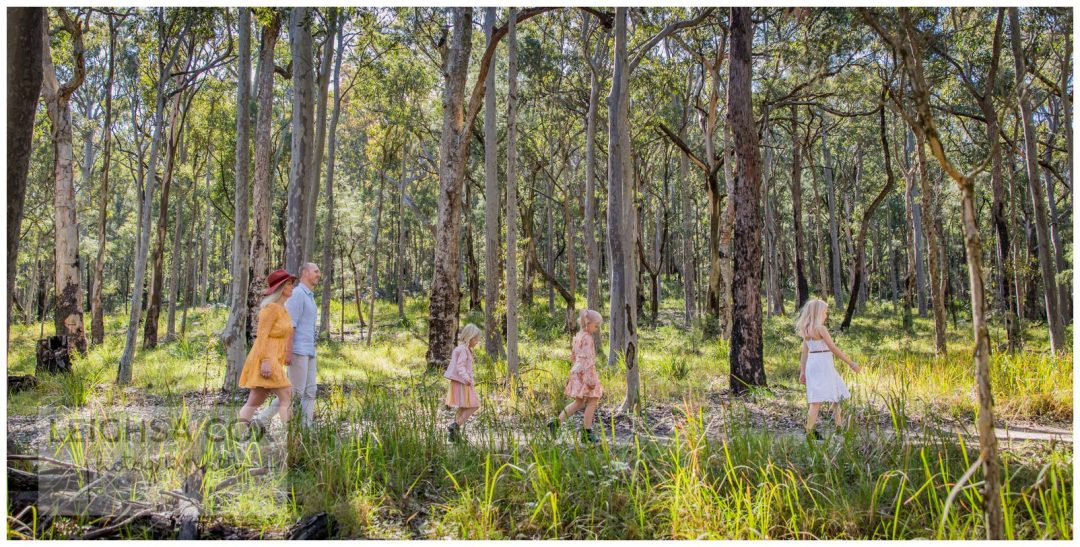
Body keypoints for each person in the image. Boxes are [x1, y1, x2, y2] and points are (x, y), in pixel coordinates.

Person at [257, 262, 322, 428]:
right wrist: (288, 350)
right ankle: (262, 419)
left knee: (310, 392)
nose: (319, 274)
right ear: (305, 273)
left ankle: (306, 428)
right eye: (316, 271)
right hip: (298, 349)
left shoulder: (309, 296)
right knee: (294, 392)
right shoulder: (298, 294)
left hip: (310, 350)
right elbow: (290, 325)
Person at [238, 269, 296, 431]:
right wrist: (265, 361)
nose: (292, 287)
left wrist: (283, 357)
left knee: (255, 400)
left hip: (274, 359)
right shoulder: (270, 309)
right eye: (289, 284)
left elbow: (283, 337)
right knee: (287, 395)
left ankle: (237, 435)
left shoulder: (284, 310)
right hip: (265, 359)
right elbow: (261, 337)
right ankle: (290, 437)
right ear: (281, 287)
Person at [796, 298, 862, 440]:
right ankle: (810, 430)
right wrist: (851, 363)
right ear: (818, 313)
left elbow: (804, 352)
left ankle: (838, 426)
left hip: (814, 364)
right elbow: (833, 348)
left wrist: (802, 371)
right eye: (825, 312)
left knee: (836, 394)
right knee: (818, 400)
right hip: (823, 364)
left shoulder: (806, 329)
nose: (826, 315)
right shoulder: (821, 329)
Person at [548, 309, 604, 443]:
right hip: (586, 372)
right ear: (588, 323)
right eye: (596, 326)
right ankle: (586, 432)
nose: (596, 329)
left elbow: (574, 355)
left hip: (577, 371)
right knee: (594, 399)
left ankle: (556, 423)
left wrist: (575, 371)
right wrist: (590, 378)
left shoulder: (579, 335)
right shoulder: (588, 338)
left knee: (579, 402)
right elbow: (588, 359)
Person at [444, 324, 482, 443]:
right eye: (475, 339)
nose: (476, 341)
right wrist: (467, 379)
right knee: (475, 405)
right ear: (468, 337)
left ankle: (454, 434)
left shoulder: (464, 349)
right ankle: (455, 425)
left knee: (463, 407)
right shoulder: (463, 350)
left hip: (462, 382)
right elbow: (460, 367)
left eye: (477, 339)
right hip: (463, 382)